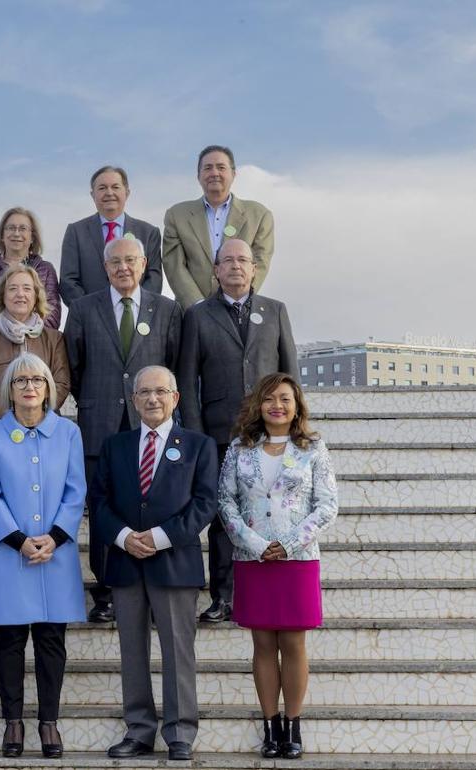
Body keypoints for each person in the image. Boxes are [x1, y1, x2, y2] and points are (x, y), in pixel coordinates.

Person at [92, 365, 217, 763]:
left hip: (174, 562)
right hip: (127, 563)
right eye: (144, 392)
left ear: (175, 398)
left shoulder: (198, 445)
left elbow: (205, 504)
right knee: (132, 650)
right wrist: (124, 537)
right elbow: (99, 501)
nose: (152, 399)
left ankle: (180, 732)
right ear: (134, 400)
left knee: (178, 651)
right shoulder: (116, 446)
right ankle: (139, 730)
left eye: (161, 392)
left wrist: (160, 537)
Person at [218, 373, 338, 760]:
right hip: (253, 557)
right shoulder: (239, 448)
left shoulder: (313, 448)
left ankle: (293, 724)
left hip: (298, 559)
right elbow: (226, 503)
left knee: (293, 642)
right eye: (269, 398)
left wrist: (287, 545)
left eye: (285, 399)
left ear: (297, 405)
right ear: (258, 405)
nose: (278, 405)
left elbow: (326, 505)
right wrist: (255, 543)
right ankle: (270, 726)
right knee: (263, 643)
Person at [177, 237, 297, 624]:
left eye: (242, 260)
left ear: (254, 268)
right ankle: (223, 596)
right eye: (227, 260)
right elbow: (187, 379)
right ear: (216, 269)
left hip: (269, 435)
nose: (235, 267)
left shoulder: (275, 311)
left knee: (269, 512)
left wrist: (290, 430)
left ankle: (263, 593)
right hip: (217, 434)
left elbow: (289, 377)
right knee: (222, 519)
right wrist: (195, 435)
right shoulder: (197, 316)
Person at [65, 236, 182, 624]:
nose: (123, 268)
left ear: (144, 263)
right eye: (115, 262)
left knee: (151, 506)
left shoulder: (166, 309)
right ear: (105, 267)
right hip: (99, 427)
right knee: (103, 512)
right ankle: (104, 592)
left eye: (130, 260)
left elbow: (174, 364)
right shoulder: (82, 309)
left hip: (150, 426)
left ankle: (149, 585)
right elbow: (75, 368)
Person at [0, 353, 86, 760]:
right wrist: (19, 539)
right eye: (20, 381)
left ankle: (48, 722)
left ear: (48, 387)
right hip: (10, 553)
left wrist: (54, 538)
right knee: (9, 639)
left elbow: (76, 490)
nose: (28, 387)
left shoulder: (68, 433)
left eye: (36, 379)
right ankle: (14, 721)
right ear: (9, 389)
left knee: (51, 640)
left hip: (55, 553)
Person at [0, 263, 70, 450]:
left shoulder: (54, 338)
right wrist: (12, 415)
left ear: (36, 296)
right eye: (12, 288)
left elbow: (61, 384)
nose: (20, 294)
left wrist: (34, 415)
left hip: (44, 434)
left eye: (27, 288)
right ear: (2, 296)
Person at [162, 145, 275, 308]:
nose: (214, 173)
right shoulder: (177, 215)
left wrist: (238, 302)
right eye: (208, 168)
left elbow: (260, 263)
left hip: (239, 310)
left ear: (233, 174)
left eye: (221, 167)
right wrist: (198, 306)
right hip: (190, 312)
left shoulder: (258, 215)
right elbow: (174, 266)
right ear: (198, 176)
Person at [60, 165, 163, 302]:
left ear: (127, 192)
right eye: (102, 188)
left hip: (134, 317)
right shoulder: (76, 232)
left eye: (115, 187)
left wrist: (134, 309)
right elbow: (68, 281)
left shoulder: (148, 233)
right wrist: (89, 313)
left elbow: (154, 280)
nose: (109, 193)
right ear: (93, 195)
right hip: (89, 319)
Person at [0, 207, 61, 331]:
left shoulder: (46, 269)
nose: (16, 233)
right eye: (11, 228)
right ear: (2, 235)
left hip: (36, 345)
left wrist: (31, 337)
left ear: (32, 237)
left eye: (23, 229)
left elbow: (52, 310)